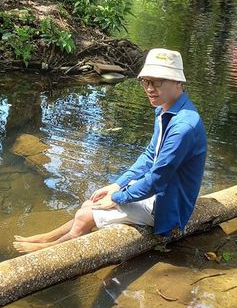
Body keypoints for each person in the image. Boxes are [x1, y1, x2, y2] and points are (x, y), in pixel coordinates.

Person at [13, 49, 207, 253]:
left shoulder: (183, 127)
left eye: (157, 82)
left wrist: (117, 198)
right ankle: (48, 237)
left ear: (178, 82)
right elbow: (150, 156)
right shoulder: (165, 109)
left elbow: (157, 180)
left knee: (86, 215)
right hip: (161, 192)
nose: (149, 88)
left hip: (168, 206)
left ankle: (47, 251)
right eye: (146, 81)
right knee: (92, 202)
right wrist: (117, 185)